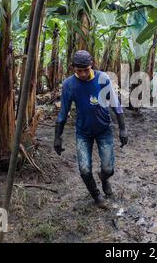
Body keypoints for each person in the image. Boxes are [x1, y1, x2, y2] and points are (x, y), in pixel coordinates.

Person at [54, 50, 128, 209]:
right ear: (73, 68)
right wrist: (57, 137)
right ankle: (96, 195)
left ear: (91, 65)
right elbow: (63, 112)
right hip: (83, 132)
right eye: (78, 70)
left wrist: (122, 129)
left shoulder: (103, 79)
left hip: (103, 129)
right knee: (84, 169)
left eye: (85, 70)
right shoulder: (69, 85)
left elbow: (115, 104)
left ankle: (104, 178)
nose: (82, 74)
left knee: (108, 168)